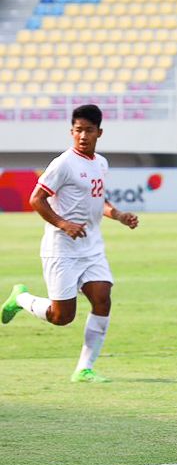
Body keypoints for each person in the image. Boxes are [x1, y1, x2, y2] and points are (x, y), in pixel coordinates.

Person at [1, 104, 139, 383]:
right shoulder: (63, 163)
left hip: (91, 248)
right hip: (61, 250)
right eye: (78, 130)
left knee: (102, 299)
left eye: (89, 130)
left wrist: (119, 215)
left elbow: (98, 201)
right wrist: (63, 224)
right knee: (62, 317)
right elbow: (36, 199)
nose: (83, 136)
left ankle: (84, 368)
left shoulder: (101, 162)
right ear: (71, 132)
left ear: (99, 132)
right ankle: (21, 298)